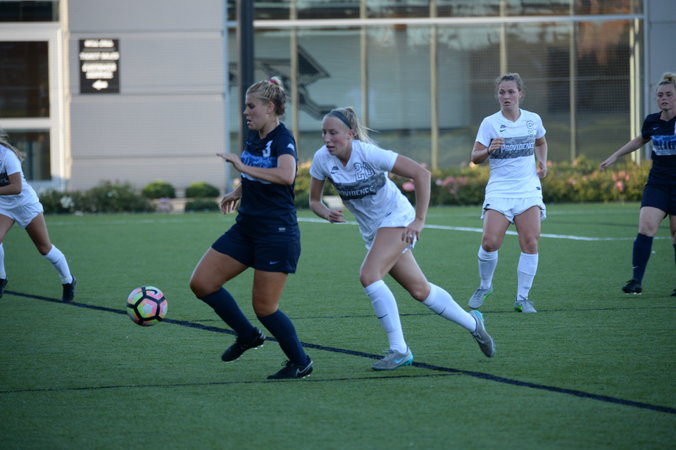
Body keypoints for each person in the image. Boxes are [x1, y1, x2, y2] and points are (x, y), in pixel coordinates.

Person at [309, 106, 495, 371]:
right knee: (420, 291)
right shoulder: (322, 159)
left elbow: (421, 174)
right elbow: (314, 201)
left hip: (398, 219)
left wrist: (419, 220)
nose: (327, 139)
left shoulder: (368, 153)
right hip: (374, 231)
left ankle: (399, 349)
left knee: (369, 275)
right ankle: (474, 324)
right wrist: (326, 212)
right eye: (324, 133)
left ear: (350, 134)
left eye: (333, 133)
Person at [189, 77, 312, 379]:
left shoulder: (282, 138)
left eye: (250, 106)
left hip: (275, 234)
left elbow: (286, 175)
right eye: (245, 106)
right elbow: (260, 173)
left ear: (269, 107)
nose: (245, 112)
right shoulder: (255, 136)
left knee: (265, 307)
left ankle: (301, 362)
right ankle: (247, 335)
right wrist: (238, 190)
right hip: (246, 228)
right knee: (202, 283)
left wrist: (242, 168)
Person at [467, 73, 548, 313]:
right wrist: (489, 150)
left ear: (520, 94)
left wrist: (543, 162)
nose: (506, 96)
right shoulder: (489, 123)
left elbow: (541, 142)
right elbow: (474, 157)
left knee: (530, 242)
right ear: (497, 96)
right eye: (502, 92)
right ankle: (485, 286)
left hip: (527, 189)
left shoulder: (533, 119)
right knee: (490, 242)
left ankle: (522, 298)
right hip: (500, 189)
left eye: (511, 91)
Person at [600, 72, 676, 296]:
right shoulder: (652, 121)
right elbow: (640, 139)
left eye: (669, 94)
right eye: (660, 95)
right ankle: (635, 281)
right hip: (658, 183)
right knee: (646, 227)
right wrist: (615, 155)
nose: (664, 98)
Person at [0, 130, 76, 301]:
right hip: (4, 205)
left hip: (25, 204)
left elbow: (16, 187)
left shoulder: (7, 156)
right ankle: (1, 278)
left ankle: (68, 281)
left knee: (44, 248)